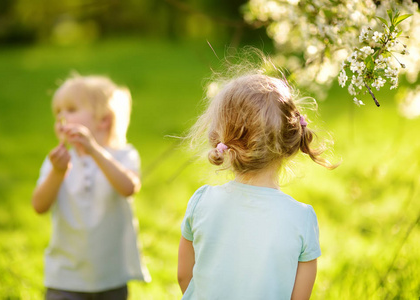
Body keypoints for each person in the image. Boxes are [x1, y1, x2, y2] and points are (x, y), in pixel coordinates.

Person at [178, 60, 337, 299]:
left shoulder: (202, 201)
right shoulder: (301, 218)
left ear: (223, 137)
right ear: (290, 138)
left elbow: (184, 276)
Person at [32, 75, 150, 299]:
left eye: (71, 109)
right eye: (58, 112)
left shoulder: (124, 155)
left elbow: (129, 187)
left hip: (111, 274)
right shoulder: (57, 161)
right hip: (65, 275)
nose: (61, 117)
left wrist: (94, 150)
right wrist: (58, 173)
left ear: (103, 120)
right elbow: (39, 206)